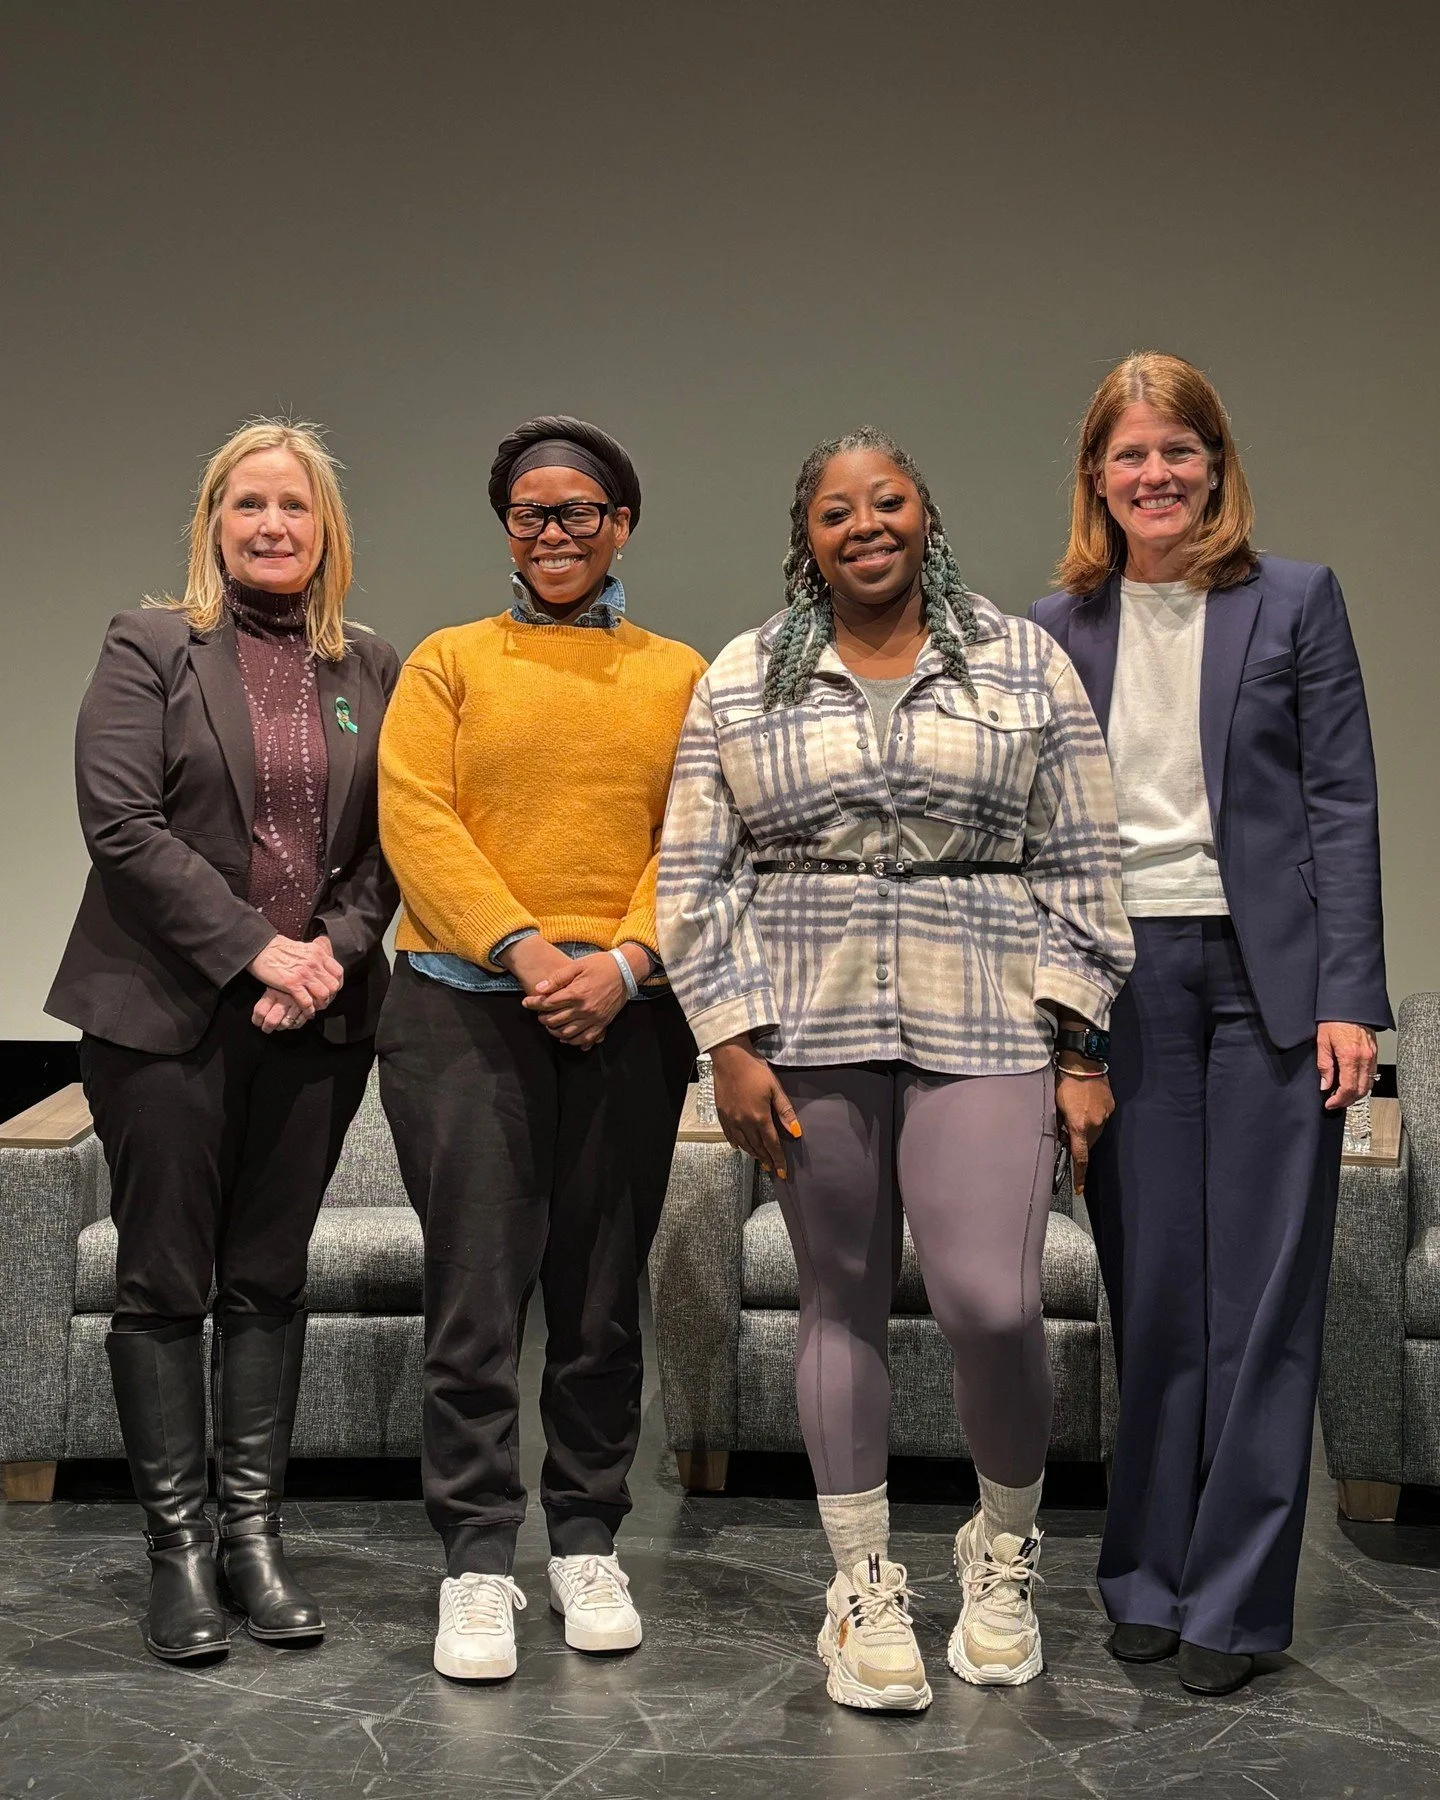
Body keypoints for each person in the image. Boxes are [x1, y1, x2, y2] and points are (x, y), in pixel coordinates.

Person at [657, 427, 1133, 1712]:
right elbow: (694, 874)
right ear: (803, 535)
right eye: (834, 511)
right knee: (839, 1298)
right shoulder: (744, 674)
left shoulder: (1020, 659)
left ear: (928, 514)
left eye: (890, 501)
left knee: (991, 1300)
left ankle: (1003, 1549)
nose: (865, 525)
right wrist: (730, 1039)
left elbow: (1084, 859)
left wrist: (1081, 1041)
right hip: (805, 1026)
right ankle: (862, 1581)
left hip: (986, 1013)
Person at [1031, 352, 1389, 1696]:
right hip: (1127, 986)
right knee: (1156, 1296)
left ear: (1216, 464)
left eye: (1178, 451)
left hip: (1271, 985)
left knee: (1264, 1303)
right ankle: (1145, 1575)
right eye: (1130, 455)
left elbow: (1343, 802)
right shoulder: (1052, 624)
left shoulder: (1294, 601)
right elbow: (1041, 840)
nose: (1156, 475)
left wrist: (1353, 989)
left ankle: (1235, 1604)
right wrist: (1062, 1026)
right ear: (1098, 478)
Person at [46, 420, 399, 1663]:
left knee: (269, 1277)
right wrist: (261, 950)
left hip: (314, 1025)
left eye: (294, 507)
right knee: (163, 1284)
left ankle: (254, 1540)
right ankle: (179, 1554)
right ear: (212, 522)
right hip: (164, 1017)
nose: (271, 526)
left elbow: (381, 857)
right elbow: (121, 825)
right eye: (248, 504)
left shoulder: (369, 666)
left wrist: (326, 963)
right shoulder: (151, 642)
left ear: (325, 531)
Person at [376, 415, 705, 1684]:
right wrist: (525, 951)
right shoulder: (451, 662)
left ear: (621, 523)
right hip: (463, 1008)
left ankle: (584, 1535)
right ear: (505, 529)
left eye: (578, 512)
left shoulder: (677, 673)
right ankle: (473, 1558)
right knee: (474, 1296)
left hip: (628, 1014)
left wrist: (621, 964)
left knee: (600, 1296)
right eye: (529, 514)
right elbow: (418, 818)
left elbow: (697, 837)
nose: (553, 533)